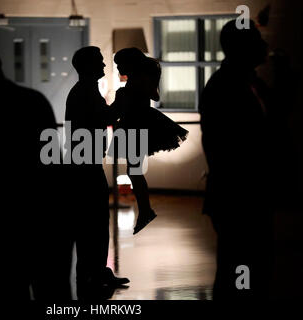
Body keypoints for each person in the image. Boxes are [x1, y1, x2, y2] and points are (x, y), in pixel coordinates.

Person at [0, 47, 71, 300]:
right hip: (48, 220)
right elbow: (50, 160)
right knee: (53, 293)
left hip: (10, 229)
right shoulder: (36, 100)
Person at [199, 19, 274, 299]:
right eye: (257, 39)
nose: (264, 45)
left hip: (242, 193)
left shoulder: (244, 82)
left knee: (244, 268)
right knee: (242, 270)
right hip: (240, 194)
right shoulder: (227, 87)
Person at [65, 46, 129, 299]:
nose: (104, 67)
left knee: (93, 222)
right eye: (100, 63)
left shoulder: (84, 91)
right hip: (86, 169)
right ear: (89, 66)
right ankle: (94, 272)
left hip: (85, 165)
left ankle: (95, 271)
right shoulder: (85, 92)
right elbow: (105, 117)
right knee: (94, 222)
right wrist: (124, 99)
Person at [111, 48, 188, 234]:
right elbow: (155, 96)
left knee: (134, 171)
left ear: (130, 65)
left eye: (120, 64)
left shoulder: (129, 88)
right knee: (134, 171)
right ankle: (145, 210)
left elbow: (117, 111)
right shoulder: (142, 81)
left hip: (135, 126)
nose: (118, 68)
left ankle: (145, 211)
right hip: (141, 124)